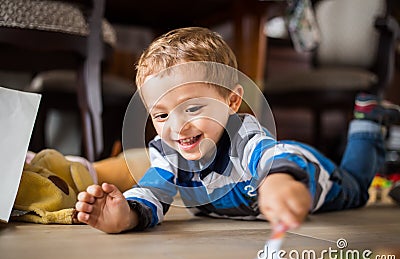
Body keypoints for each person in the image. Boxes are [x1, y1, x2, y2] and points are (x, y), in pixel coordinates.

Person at [75, 27, 400, 234]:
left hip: (311, 172)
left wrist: (277, 182)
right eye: (160, 115)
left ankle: (368, 123)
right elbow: (152, 192)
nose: (177, 127)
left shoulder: (242, 135)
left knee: (356, 188)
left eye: (192, 108)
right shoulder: (168, 153)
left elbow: (273, 154)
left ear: (231, 101)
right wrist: (126, 215)